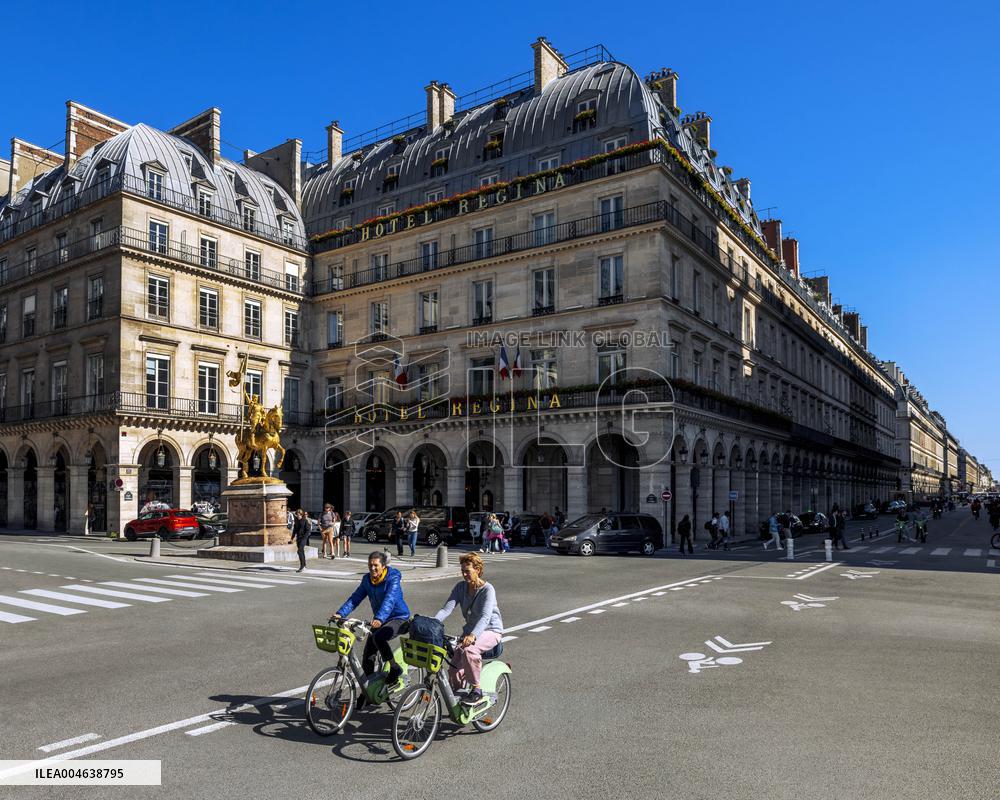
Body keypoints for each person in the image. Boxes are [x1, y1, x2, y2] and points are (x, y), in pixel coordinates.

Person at [332, 552, 411, 696]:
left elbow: (390, 599)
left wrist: (380, 618)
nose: (372, 568)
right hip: (381, 619)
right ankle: (367, 690)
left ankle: (395, 668)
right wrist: (340, 613)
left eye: (376, 565)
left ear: (383, 566)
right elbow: (355, 598)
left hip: (399, 618)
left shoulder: (392, 578)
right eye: (370, 565)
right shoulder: (367, 580)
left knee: (379, 638)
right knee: (368, 654)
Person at [433, 552, 504, 705]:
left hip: (491, 630)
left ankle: (477, 690)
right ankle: (461, 701)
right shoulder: (460, 587)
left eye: (468, 571)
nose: (464, 574)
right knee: (453, 669)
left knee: (470, 650)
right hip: (469, 633)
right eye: (462, 571)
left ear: (477, 569)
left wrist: (472, 635)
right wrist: (431, 623)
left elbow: (485, 617)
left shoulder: (487, 589)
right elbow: (446, 609)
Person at [289, 508, 311, 572]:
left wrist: (305, 537)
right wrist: (292, 538)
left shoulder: (305, 521)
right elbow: (295, 530)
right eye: (297, 515)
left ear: (302, 515)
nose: (298, 516)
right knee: (301, 552)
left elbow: (308, 530)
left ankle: (302, 566)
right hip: (298, 538)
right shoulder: (296, 521)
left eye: (299, 515)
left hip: (304, 538)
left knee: (299, 551)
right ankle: (304, 565)